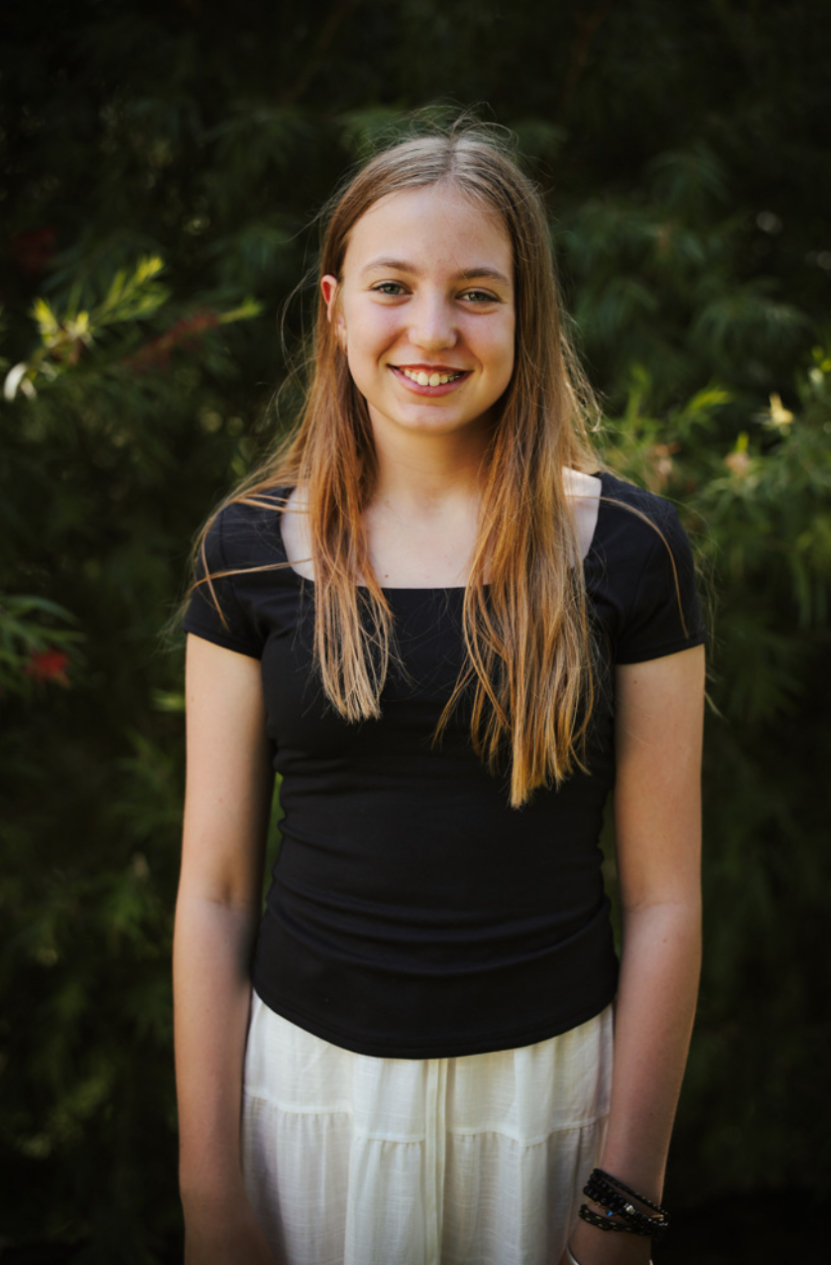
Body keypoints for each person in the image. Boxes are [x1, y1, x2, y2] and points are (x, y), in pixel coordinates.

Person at [173, 122, 706, 1265]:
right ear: (334, 309)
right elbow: (214, 890)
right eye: (392, 287)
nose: (432, 329)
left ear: (527, 315)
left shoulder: (629, 548)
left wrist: (624, 1196)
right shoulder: (248, 550)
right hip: (307, 1099)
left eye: (476, 293)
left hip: (550, 1102)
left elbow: (666, 897)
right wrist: (208, 1188)